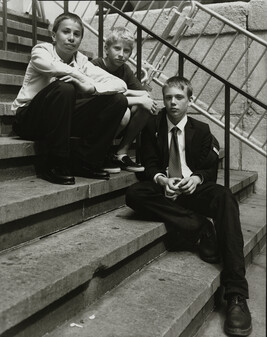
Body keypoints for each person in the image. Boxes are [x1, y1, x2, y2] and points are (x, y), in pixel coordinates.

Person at [126, 76, 252, 336]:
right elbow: (148, 164)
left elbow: (209, 168)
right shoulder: (152, 126)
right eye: (168, 97)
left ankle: (236, 295)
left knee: (225, 197)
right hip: (166, 191)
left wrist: (197, 178)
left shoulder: (202, 130)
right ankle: (198, 227)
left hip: (191, 189)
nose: (173, 102)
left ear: (189, 101)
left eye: (179, 97)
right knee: (135, 194)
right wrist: (161, 179)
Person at [12, 13, 128, 185]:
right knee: (65, 87)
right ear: (54, 35)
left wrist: (92, 87)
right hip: (28, 119)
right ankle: (54, 162)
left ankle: (86, 161)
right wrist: (82, 78)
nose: (71, 38)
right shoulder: (41, 50)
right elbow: (54, 68)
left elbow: (120, 84)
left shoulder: (81, 61)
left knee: (118, 101)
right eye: (66, 32)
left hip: (60, 119)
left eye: (77, 34)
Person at [91, 26, 158, 173]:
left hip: (113, 118)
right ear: (106, 49)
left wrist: (144, 98)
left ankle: (120, 153)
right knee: (125, 113)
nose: (121, 54)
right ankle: (100, 151)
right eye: (117, 48)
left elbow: (141, 93)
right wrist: (139, 98)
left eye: (126, 51)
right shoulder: (95, 66)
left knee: (145, 103)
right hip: (93, 119)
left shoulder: (125, 69)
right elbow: (108, 96)